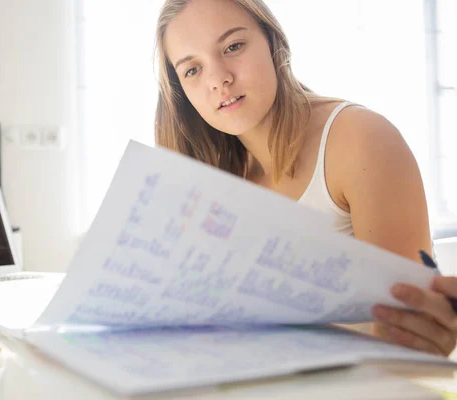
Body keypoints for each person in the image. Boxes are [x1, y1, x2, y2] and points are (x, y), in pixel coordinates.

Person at [153, 0, 457, 356]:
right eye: (192, 70)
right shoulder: (212, 177)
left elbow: (409, 343)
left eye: (233, 47)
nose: (219, 79)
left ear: (272, 42)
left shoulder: (359, 139)